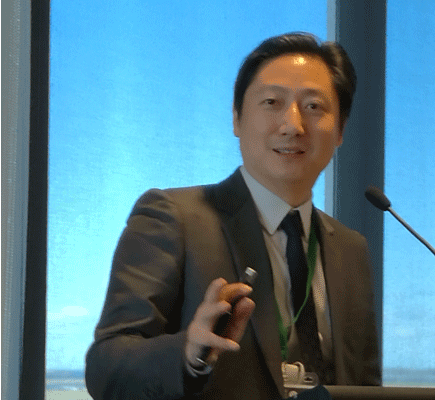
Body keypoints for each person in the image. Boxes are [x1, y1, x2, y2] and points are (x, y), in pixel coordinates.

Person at [85, 32, 381, 400]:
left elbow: (365, 386)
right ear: (237, 119)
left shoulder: (351, 250)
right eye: (272, 102)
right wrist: (188, 353)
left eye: (314, 106)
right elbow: (106, 368)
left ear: (340, 130)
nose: (293, 125)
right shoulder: (174, 218)